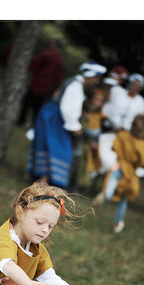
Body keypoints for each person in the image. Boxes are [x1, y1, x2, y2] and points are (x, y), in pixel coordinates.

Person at [27, 61, 107, 189]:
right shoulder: (75, 86)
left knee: (51, 147)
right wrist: (74, 126)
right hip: (55, 118)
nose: (96, 81)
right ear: (91, 76)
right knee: (58, 149)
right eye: (97, 78)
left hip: (54, 116)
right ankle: (43, 180)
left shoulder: (76, 84)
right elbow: (67, 109)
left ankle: (42, 179)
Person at [92, 113, 144, 233]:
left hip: (129, 174)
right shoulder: (123, 136)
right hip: (118, 168)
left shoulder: (143, 146)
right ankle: (104, 194)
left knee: (124, 197)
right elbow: (115, 148)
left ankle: (118, 221)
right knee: (109, 194)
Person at [18, 38, 64, 126]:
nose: (50, 45)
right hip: (44, 87)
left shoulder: (49, 55)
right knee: (35, 107)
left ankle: (24, 123)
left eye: (52, 43)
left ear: (56, 46)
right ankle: (31, 124)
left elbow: (33, 64)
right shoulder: (58, 58)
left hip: (39, 85)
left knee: (29, 105)